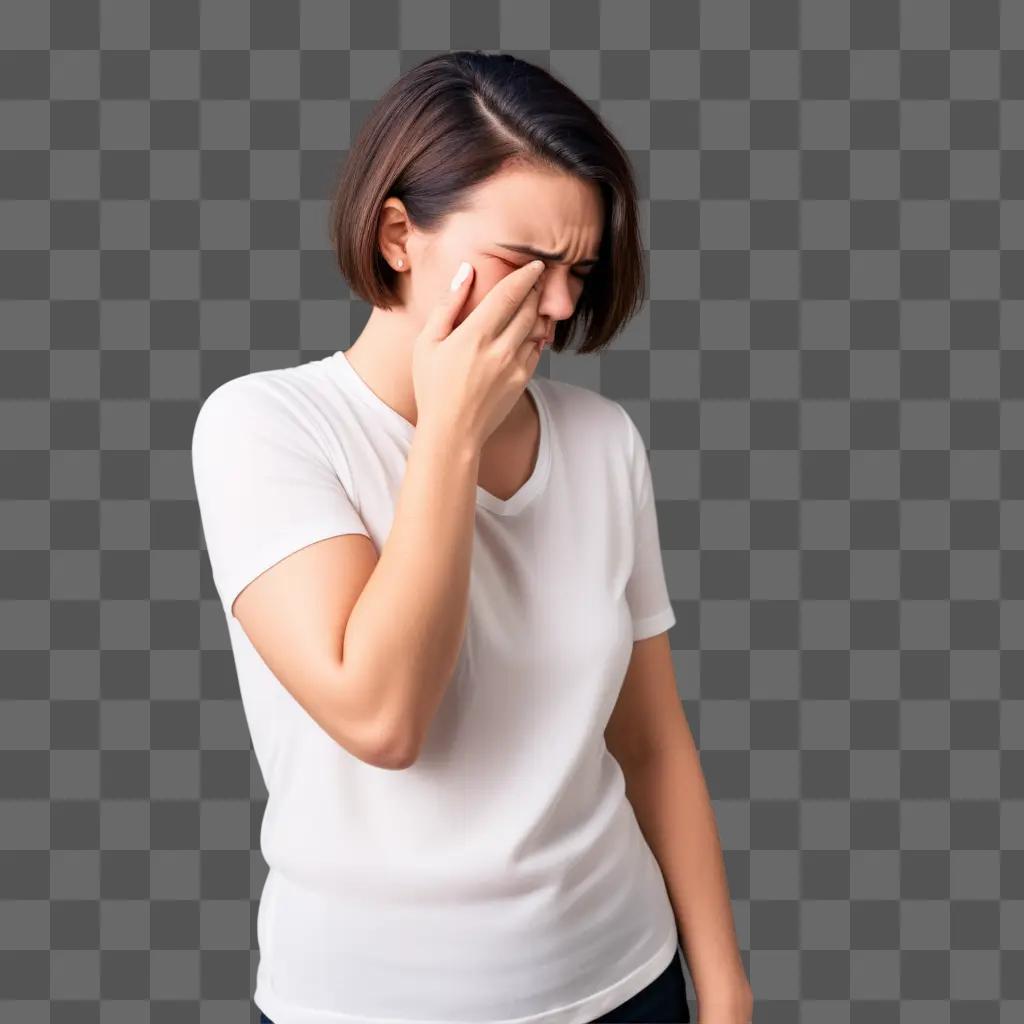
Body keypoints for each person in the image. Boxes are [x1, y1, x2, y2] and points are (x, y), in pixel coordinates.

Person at [192, 51, 751, 1024]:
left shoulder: (601, 441)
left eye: (577, 269)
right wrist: (448, 431)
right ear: (399, 234)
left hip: (627, 980)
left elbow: (652, 741)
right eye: (527, 263)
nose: (563, 305)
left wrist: (727, 989)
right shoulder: (265, 427)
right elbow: (383, 717)